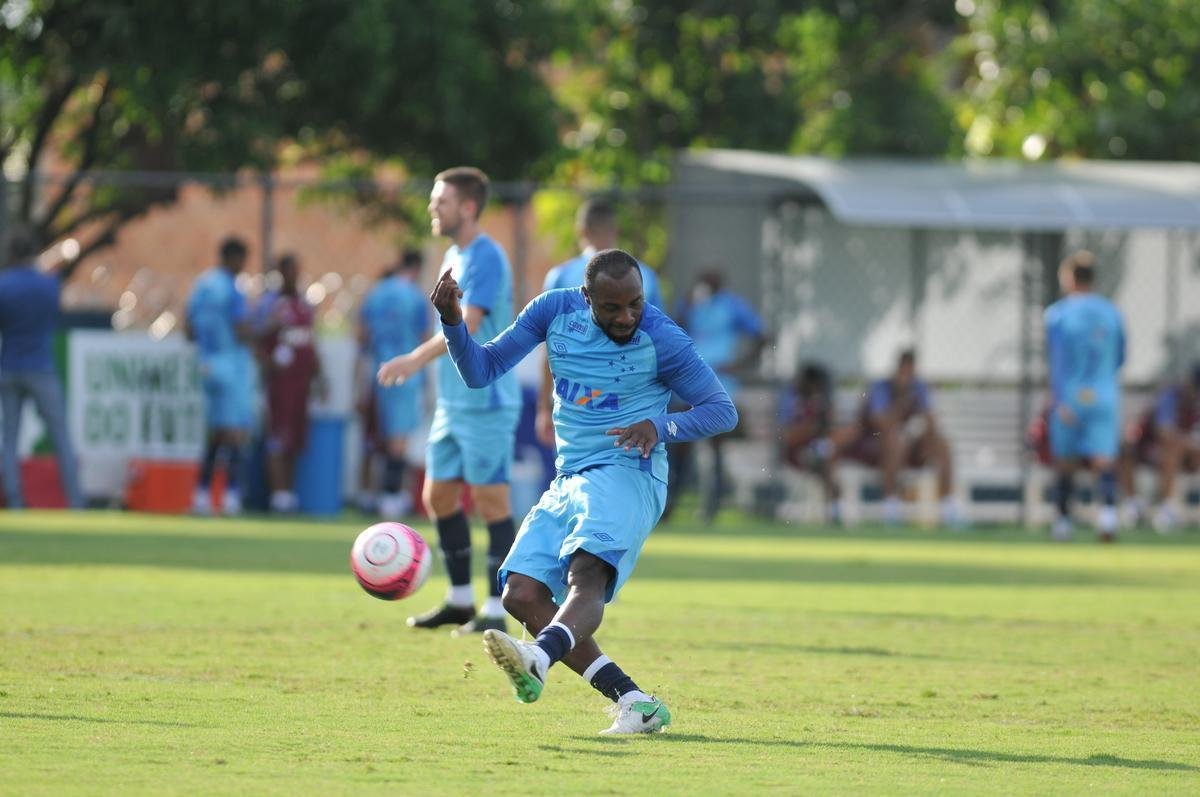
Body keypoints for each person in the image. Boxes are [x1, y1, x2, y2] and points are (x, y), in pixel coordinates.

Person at [431, 248, 737, 734]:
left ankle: (540, 656)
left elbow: (722, 410)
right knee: (520, 594)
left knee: (586, 572)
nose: (627, 317)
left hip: (629, 473)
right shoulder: (553, 311)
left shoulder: (662, 337)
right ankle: (635, 702)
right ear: (586, 296)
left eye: (635, 303)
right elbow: (480, 371)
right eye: (612, 308)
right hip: (569, 476)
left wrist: (660, 425)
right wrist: (452, 324)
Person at [377, 167, 521, 636]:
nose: (431, 209)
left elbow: (469, 323)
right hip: (454, 403)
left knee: (491, 501)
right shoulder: (454, 254)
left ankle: (499, 607)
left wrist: (413, 359)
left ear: (468, 207)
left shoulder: (486, 257)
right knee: (437, 497)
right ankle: (460, 600)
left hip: (487, 400)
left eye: (440, 202)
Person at [535, 198, 663, 448]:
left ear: (581, 231)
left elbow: (548, 349)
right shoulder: (645, 277)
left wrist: (543, 407)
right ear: (615, 231)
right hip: (631, 403)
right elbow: (661, 344)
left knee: (575, 477)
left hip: (576, 405)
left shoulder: (559, 277)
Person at [667, 270, 766, 521]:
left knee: (715, 446)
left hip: (721, 383)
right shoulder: (692, 304)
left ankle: (712, 507)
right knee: (680, 443)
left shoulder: (733, 306)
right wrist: (686, 306)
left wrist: (740, 365)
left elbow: (761, 336)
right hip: (688, 381)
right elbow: (673, 331)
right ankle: (670, 505)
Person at [0, 225, 85, 509]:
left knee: (10, 437)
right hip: (40, 366)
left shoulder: (4, 285)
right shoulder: (49, 284)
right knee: (60, 434)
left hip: (10, 366)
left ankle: (15, 501)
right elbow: (54, 315)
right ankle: (75, 500)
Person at [1044, 250, 1126, 542]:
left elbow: (1056, 360)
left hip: (1069, 394)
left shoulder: (1058, 314)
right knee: (1103, 460)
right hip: (1104, 394)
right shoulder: (1112, 313)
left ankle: (1063, 523)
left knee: (1065, 461)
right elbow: (1119, 358)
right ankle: (1107, 518)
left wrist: (1057, 397)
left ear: (1068, 278)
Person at [845, 350, 962, 527]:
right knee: (895, 441)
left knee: (941, 444)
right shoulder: (880, 388)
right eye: (903, 369)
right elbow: (881, 425)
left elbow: (930, 419)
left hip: (912, 449)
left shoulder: (919, 387)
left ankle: (948, 507)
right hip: (878, 449)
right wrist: (901, 402)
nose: (906, 375)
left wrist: (922, 423)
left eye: (910, 370)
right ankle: (891, 506)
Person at [186, 236, 254, 515]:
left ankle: (201, 493)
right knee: (235, 431)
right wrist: (262, 330)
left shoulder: (202, 285)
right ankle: (230, 495)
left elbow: (188, 328)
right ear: (235, 258)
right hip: (230, 363)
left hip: (206, 363)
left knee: (216, 432)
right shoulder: (231, 288)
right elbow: (240, 329)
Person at [360, 249, 430, 518]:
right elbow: (425, 337)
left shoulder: (376, 293)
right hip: (406, 371)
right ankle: (390, 497)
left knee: (382, 433)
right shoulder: (414, 296)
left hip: (379, 369)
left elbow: (362, 334)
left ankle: (376, 494)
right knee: (399, 439)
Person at [258, 253, 322, 514]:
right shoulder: (271, 304)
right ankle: (277, 494)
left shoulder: (304, 304)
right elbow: (258, 338)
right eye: (291, 270)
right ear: (281, 272)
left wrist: (318, 374)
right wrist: (268, 364)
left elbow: (310, 341)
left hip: (301, 382)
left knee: (296, 438)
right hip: (280, 384)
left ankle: (289, 494)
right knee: (278, 437)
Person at [1118, 366, 1199, 533]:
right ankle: (1135, 506)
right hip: (1158, 449)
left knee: (1174, 449)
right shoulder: (1170, 397)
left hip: (1191, 454)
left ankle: (1167, 509)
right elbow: (1165, 432)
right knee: (1127, 448)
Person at [781, 362, 856, 525]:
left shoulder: (823, 402)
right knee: (827, 459)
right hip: (795, 451)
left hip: (819, 450)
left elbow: (831, 430)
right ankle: (833, 510)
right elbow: (787, 435)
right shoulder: (792, 399)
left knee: (828, 454)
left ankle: (833, 510)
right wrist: (811, 427)